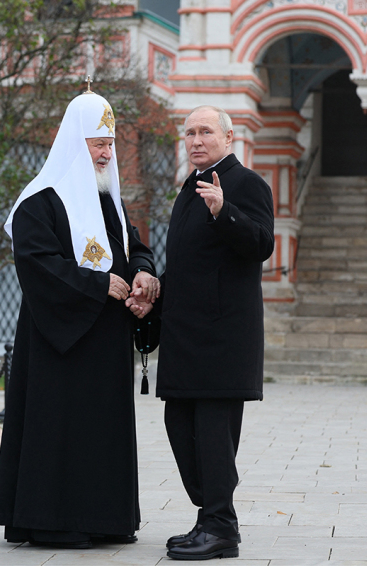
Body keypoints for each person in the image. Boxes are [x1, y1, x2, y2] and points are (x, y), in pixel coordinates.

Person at [0, 89, 160, 548]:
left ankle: (106, 519)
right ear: (74, 142)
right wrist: (96, 284)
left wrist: (143, 272)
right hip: (59, 339)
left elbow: (134, 245)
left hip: (106, 338)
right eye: (98, 143)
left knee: (102, 430)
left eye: (110, 144)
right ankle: (55, 520)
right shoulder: (40, 201)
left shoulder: (109, 198)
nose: (107, 153)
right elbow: (37, 263)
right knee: (61, 428)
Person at [143, 106, 274, 560]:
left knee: (214, 435)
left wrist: (224, 211)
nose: (196, 140)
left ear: (229, 137)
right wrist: (154, 292)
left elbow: (261, 245)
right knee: (180, 426)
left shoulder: (246, 184)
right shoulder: (187, 189)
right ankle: (210, 516)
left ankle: (220, 527)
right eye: (189, 133)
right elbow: (189, 264)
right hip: (185, 336)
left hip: (222, 337)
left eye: (206, 132)